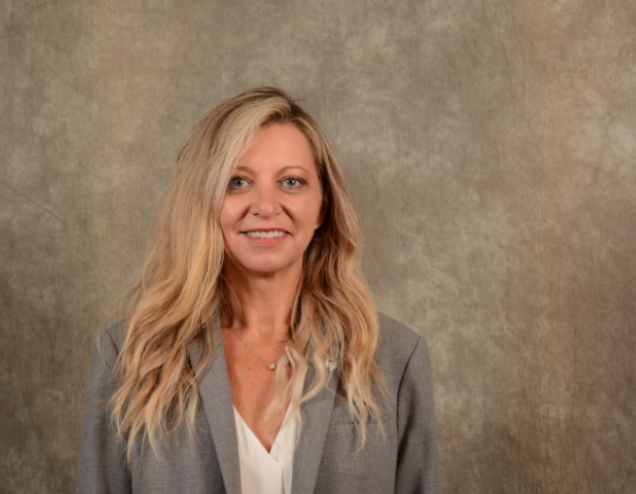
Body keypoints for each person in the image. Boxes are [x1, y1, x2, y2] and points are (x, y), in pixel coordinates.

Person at [75, 87, 441, 494]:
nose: (265, 206)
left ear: (322, 206)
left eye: (291, 181)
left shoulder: (396, 358)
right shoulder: (131, 356)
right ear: (206, 200)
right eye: (238, 182)